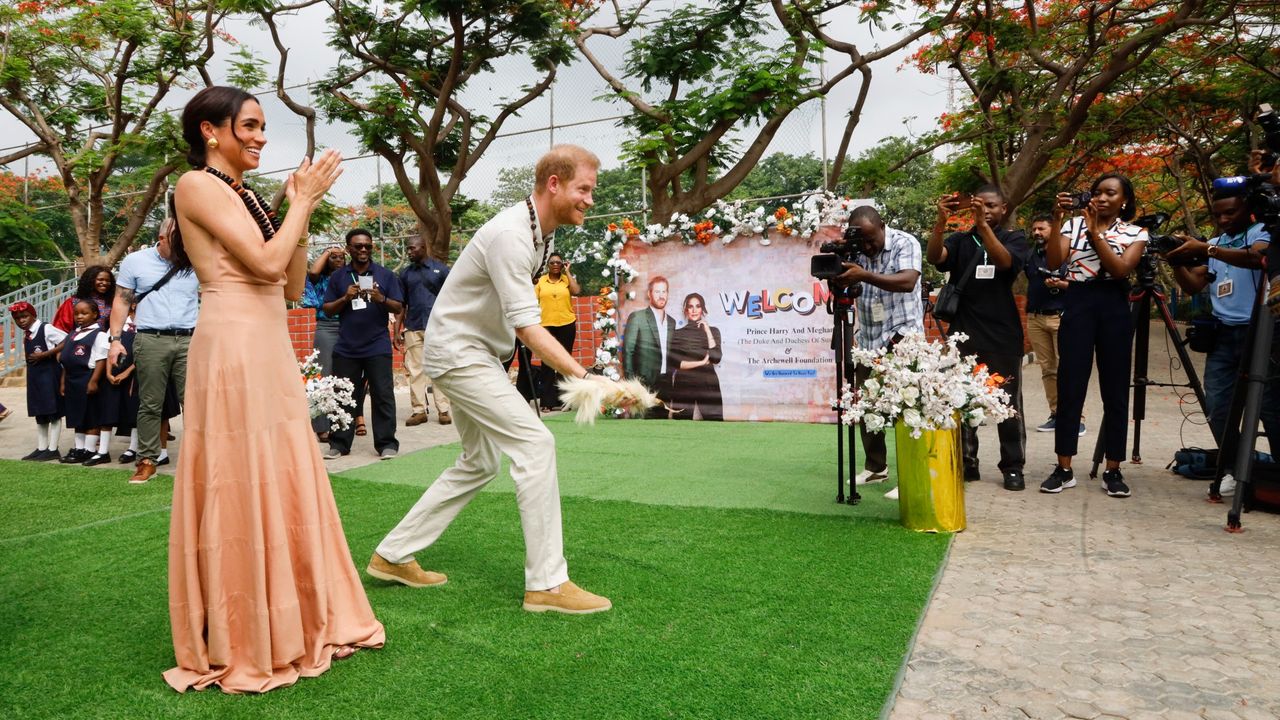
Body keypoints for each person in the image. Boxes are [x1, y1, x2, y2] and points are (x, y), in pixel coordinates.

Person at [163, 85, 383, 693]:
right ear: (212, 131)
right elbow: (261, 266)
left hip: (267, 341)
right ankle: (246, 635)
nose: (261, 136)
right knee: (241, 478)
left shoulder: (245, 196)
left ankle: (299, 616)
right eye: (251, 125)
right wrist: (304, 202)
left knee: (283, 472)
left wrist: (297, 210)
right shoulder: (196, 186)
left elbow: (289, 284)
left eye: (263, 127)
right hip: (232, 345)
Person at [368, 144, 613, 615]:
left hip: (470, 353)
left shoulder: (538, 235)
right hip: (462, 355)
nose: (590, 199)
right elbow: (527, 325)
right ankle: (546, 584)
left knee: (480, 462)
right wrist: (586, 375)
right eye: (584, 189)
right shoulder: (511, 235)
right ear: (554, 184)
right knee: (535, 444)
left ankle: (393, 554)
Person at [1041, 173, 1148, 497]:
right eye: (1097, 192)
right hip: (1078, 301)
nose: (1101, 198)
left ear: (1124, 200)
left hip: (1114, 304)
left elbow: (1120, 270)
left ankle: (1113, 469)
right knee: (1070, 385)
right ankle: (1064, 467)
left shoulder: (1136, 232)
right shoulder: (1072, 226)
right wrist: (1058, 220)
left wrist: (1095, 234)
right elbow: (1055, 261)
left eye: (1110, 193)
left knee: (1115, 389)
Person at [1166, 192, 1279, 495]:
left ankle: (1276, 472)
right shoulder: (1219, 241)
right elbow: (1194, 285)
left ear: (1248, 210)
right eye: (1219, 215)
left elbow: (1258, 258)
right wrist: (1178, 262)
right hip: (1223, 335)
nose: (1224, 219)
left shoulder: (1264, 231)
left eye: (1230, 213)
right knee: (1218, 408)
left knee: (1269, 408)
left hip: (1261, 333)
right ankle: (1233, 466)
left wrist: (1207, 248)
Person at [927, 186, 1029, 491]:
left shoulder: (1014, 238)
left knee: (1007, 404)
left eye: (992, 206)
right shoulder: (961, 240)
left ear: (1004, 208)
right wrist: (940, 223)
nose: (986, 210)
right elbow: (935, 256)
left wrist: (984, 227)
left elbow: (1005, 263)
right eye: (980, 205)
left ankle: (1012, 466)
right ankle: (966, 463)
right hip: (964, 334)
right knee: (962, 400)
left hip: (1002, 335)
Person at [835, 205, 925, 499]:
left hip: (902, 337)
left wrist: (863, 275)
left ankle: (912, 474)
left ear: (883, 225)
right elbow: (847, 284)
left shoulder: (904, 242)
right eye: (863, 241)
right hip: (869, 340)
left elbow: (907, 281)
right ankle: (876, 467)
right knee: (866, 407)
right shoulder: (856, 251)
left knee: (906, 409)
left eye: (872, 239)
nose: (868, 246)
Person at [107, 218, 201, 484]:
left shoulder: (195, 259)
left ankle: (199, 460)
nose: (184, 246)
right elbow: (122, 300)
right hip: (150, 338)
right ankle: (147, 460)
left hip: (189, 340)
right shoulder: (135, 261)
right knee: (150, 403)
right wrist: (115, 340)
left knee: (194, 403)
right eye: (177, 241)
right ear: (161, 239)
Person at [320, 229, 404, 460]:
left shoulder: (385, 275)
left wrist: (381, 299)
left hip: (377, 346)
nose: (364, 250)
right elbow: (327, 309)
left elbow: (398, 307)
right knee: (343, 395)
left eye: (368, 245)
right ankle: (339, 444)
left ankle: (387, 444)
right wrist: (345, 298)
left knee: (383, 395)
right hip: (347, 347)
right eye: (358, 246)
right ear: (349, 249)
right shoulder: (338, 277)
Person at [1023, 214, 1083, 435]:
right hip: (1036, 318)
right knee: (1048, 370)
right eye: (1034, 229)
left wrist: (1062, 284)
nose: (1037, 232)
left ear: (1053, 231)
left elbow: (1081, 286)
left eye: (1042, 229)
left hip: (1062, 316)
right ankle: (1056, 414)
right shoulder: (1031, 255)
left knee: (1069, 369)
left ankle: (1076, 418)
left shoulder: (1069, 254)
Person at [395, 236, 452, 426]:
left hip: (438, 327)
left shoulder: (441, 270)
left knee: (439, 368)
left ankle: (443, 410)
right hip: (413, 327)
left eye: (412, 248)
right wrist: (397, 329)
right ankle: (419, 411)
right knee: (415, 370)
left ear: (423, 247)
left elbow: (453, 298)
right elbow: (401, 304)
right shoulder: (405, 274)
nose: (409, 252)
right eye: (408, 249)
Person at [303, 245, 348, 440]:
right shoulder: (320, 279)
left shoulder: (350, 277)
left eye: (341, 257)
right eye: (333, 257)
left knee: (347, 375)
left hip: (349, 326)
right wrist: (329, 250)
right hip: (326, 327)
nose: (338, 260)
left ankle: (343, 422)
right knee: (323, 375)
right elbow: (313, 271)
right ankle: (321, 426)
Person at [12, 301, 65, 461]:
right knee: (40, 412)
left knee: (53, 412)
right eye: (17, 318)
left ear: (33, 315)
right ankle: (42, 447)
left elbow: (67, 340)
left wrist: (45, 354)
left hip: (49, 375)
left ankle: (53, 448)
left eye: (25, 316)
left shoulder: (45, 328)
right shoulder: (28, 333)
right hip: (35, 376)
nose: (21, 320)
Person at [59, 299, 109, 464]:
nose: (79, 316)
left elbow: (101, 359)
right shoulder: (74, 333)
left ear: (95, 314)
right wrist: (63, 382)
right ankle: (79, 449)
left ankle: (89, 449)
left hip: (87, 377)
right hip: (71, 378)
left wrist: (94, 381)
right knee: (76, 415)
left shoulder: (99, 334)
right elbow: (66, 360)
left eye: (84, 313)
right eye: (76, 313)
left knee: (89, 414)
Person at [622, 276, 676, 417]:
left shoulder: (672, 322)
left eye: (664, 292)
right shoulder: (637, 317)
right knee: (642, 426)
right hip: (643, 384)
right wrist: (631, 385)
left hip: (666, 384)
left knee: (663, 426)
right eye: (657, 292)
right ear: (649, 294)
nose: (661, 295)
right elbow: (628, 351)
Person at [533, 252, 580, 410]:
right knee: (547, 362)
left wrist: (568, 272)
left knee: (565, 362)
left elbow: (576, 291)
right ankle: (547, 403)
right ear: (548, 265)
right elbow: (533, 300)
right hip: (546, 325)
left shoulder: (567, 279)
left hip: (567, 324)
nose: (555, 265)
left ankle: (564, 401)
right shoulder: (540, 281)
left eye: (558, 263)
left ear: (562, 265)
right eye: (552, 262)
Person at [669, 292, 724, 421]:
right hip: (683, 385)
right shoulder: (677, 334)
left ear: (703, 309)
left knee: (715, 426)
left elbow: (716, 358)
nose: (694, 310)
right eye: (690, 306)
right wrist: (701, 362)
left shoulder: (714, 331)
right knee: (680, 428)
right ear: (685, 310)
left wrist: (707, 330)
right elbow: (677, 363)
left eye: (698, 306)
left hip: (708, 384)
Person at [53, 266, 115, 331]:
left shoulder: (111, 302)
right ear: (90, 280)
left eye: (108, 281)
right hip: (77, 339)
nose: (105, 283)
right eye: (100, 279)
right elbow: (61, 328)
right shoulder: (73, 302)